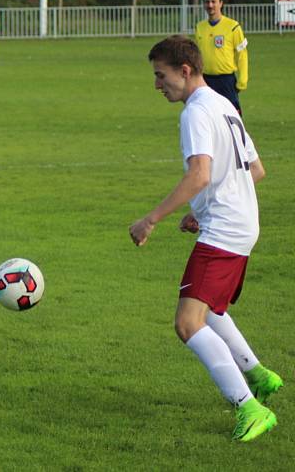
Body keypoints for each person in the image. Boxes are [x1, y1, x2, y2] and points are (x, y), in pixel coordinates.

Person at [129, 35, 282, 442]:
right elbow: (256, 169)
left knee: (187, 323)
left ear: (184, 70)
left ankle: (249, 407)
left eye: (161, 76)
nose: (157, 85)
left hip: (227, 231)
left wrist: (151, 219)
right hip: (241, 223)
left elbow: (199, 173)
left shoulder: (196, 112)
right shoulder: (223, 104)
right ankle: (258, 374)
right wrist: (203, 211)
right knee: (210, 307)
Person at [194, 0, 248, 114]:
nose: (210, 5)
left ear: (221, 3)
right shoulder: (200, 27)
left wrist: (242, 80)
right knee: (208, 115)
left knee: (232, 117)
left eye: (214, 1)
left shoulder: (233, 27)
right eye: (207, 2)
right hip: (205, 80)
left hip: (226, 80)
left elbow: (242, 54)